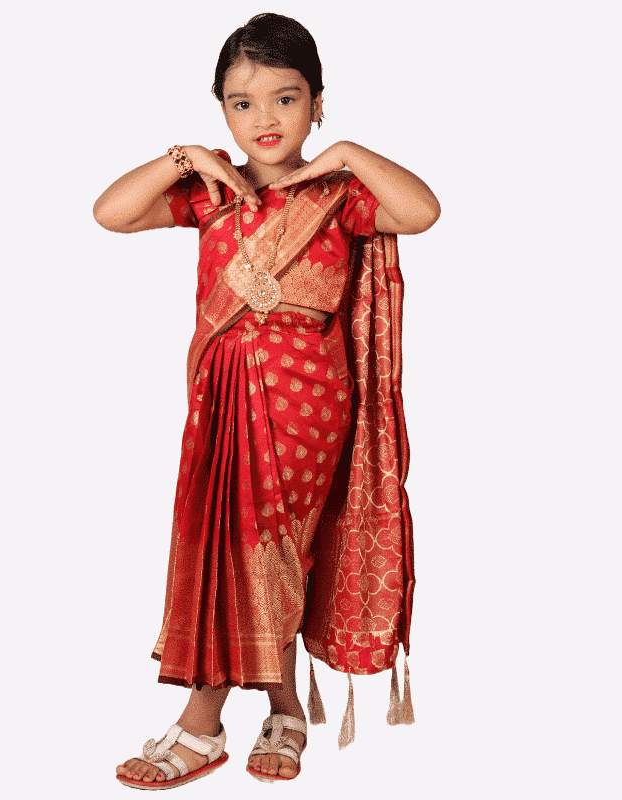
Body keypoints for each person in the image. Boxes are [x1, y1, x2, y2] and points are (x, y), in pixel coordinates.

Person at [94, 12, 440, 790]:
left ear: (317, 102)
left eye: (286, 98)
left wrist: (345, 155)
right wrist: (183, 157)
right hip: (219, 400)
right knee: (232, 546)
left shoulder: (339, 195)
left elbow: (421, 212)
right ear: (221, 109)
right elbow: (110, 213)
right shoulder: (212, 193)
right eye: (241, 103)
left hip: (307, 407)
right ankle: (284, 709)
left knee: (263, 551)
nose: (265, 118)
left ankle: (201, 724)